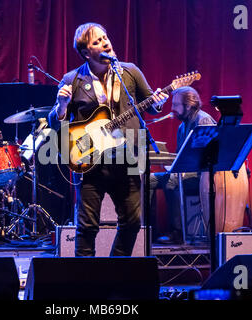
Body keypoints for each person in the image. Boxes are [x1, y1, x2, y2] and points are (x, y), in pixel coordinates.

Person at [48, 22, 169, 256]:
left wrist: (158, 102)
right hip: (90, 160)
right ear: (86, 52)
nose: (105, 42)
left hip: (128, 159)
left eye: (105, 37)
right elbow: (56, 123)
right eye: (97, 41)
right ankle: (86, 284)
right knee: (87, 226)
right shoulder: (72, 79)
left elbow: (151, 106)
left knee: (133, 223)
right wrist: (61, 106)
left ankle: (114, 272)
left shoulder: (130, 72)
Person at [150, 86, 216, 243]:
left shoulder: (203, 120)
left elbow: (211, 155)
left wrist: (176, 168)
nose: (172, 109)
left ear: (188, 105)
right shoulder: (182, 126)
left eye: (175, 105)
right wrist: (165, 160)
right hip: (185, 172)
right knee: (148, 179)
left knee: (172, 180)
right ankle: (149, 232)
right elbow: (181, 156)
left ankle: (177, 232)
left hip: (203, 176)